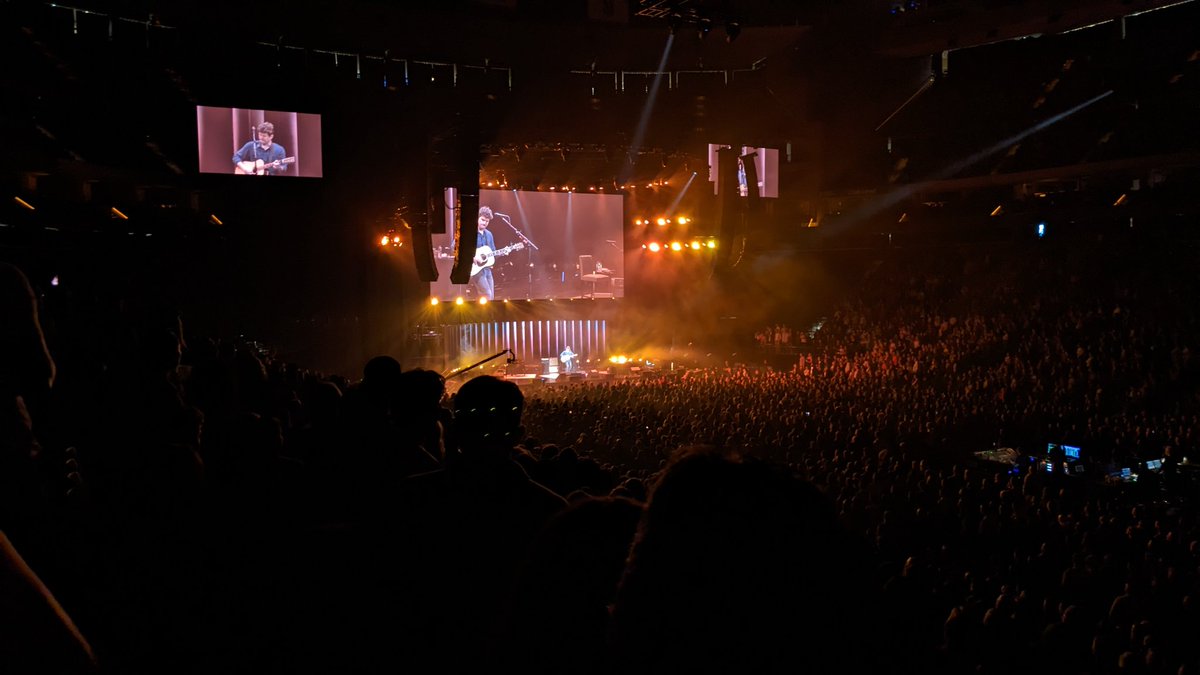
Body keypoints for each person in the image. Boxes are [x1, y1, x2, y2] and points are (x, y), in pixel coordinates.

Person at [470, 206, 497, 301]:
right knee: (487, 294)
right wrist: (472, 257)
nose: (484, 223)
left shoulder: (489, 234)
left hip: (487, 269)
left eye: (487, 221)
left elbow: (493, 251)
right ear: (477, 218)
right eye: (482, 220)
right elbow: (455, 246)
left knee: (491, 297)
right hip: (475, 269)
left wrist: (503, 252)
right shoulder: (469, 232)